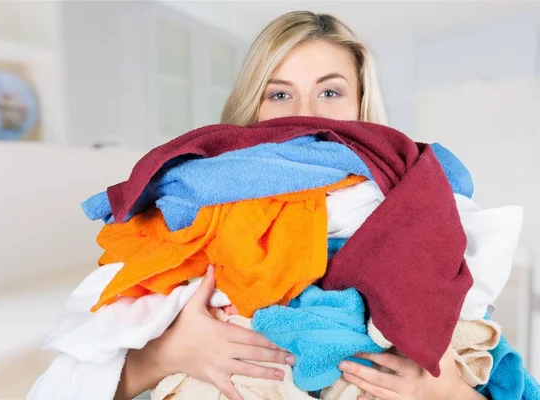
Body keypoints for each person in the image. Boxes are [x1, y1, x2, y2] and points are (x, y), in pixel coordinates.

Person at [114, 11, 487, 400]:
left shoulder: (425, 201)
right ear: (253, 107)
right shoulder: (192, 205)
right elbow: (80, 376)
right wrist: (165, 356)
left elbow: (474, 351)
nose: (305, 113)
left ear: (360, 104)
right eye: (279, 94)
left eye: (330, 92)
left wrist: (450, 392)